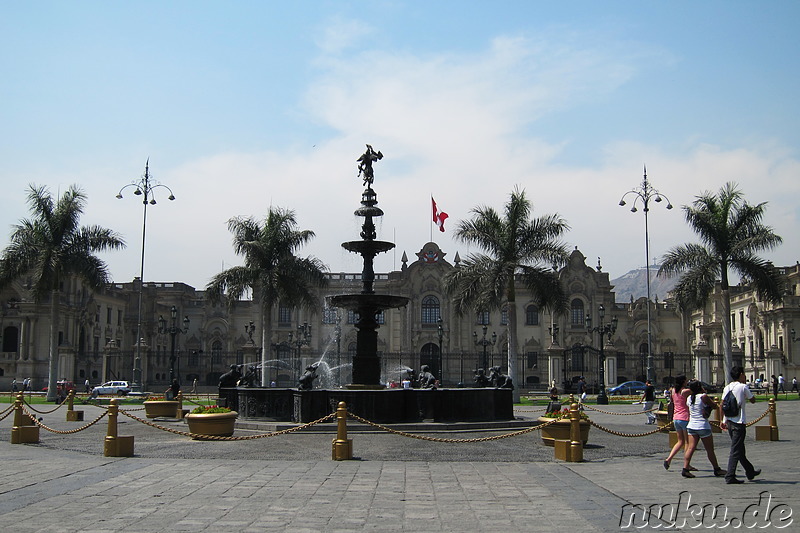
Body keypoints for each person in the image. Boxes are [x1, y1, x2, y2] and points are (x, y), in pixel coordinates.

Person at [721, 366, 760, 484]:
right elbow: (753, 400)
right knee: (735, 450)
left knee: (739, 449)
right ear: (741, 374)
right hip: (739, 422)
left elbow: (723, 404)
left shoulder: (727, 387)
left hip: (729, 422)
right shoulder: (743, 387)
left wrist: (723, 420)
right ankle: (730, 475)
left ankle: (750, 471)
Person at [682, 380, 726, 479]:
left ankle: (685, 468)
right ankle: (717, 469)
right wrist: (704, 392)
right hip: (702, 426)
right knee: (709, 449)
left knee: (690, 448)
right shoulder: (703, 397)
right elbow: (714, 406)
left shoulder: (689, 398)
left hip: (692, 426)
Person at [663, 375, 695, 471]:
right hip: (684, 418)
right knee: (687, 443)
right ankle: (687, 464)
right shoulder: (684, 391)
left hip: (676, 418)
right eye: (686, 381)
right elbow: (698, 389)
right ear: (683, 382)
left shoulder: (673, 390)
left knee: (680, 441)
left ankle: (668, 459)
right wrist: (694, 382)